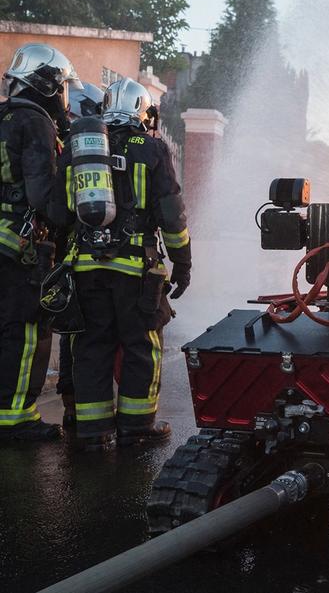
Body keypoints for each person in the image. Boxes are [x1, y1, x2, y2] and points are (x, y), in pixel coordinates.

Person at [51, 78, 191, 450]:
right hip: (135, 270)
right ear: (143, 111)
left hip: (84, 267)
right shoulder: (153, 149)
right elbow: (172, 215)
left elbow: (59, 213)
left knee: (92, 345)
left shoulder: (78, 152)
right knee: (141, 344)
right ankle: (136, 425)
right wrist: (183, 263)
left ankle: (94, 431)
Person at [0, 43, 82, 442]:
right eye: (63, 88)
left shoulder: (3, 117)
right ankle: (16, 420)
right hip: (20, 248)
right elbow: (40, 197)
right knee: (26, 332)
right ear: (49, 84)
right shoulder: (35, 123)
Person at [57, 82, 106, 429]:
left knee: (73, 332)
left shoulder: (65, 149)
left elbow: (56, 206)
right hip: (94, 254)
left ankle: (72, 407)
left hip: (70, 254)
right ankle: (89, 412)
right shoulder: (94, 148)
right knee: (92, 334)